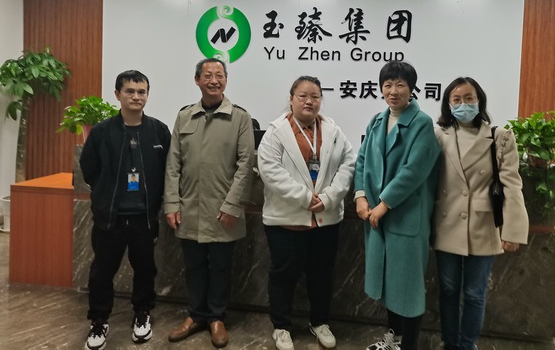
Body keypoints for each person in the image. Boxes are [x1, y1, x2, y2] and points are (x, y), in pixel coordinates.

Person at [258, 76, 355, 350]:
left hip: (325, 220)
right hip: (286, 221)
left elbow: (348, 163)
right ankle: (281, 326)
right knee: (283, 275)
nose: (309, 101)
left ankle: (319, 322)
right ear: (291, 99)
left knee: (321, 275)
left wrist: (329, 197)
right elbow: (269, 170)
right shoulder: (276, 132)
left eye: (315, 96)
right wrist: (303, 197)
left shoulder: (333, 131)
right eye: (303, 96)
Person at [163, 57, 255, 348]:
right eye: (208, 75)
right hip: (189, 208)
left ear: (226, 80)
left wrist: (232, 205)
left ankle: (216, 317)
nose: (214, 80)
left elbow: (246, 166)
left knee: (220, 267)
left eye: (219, 75)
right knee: (194, 267)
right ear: (197, 80)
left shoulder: (240, 118)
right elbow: (173, 165)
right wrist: (171, 204)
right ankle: (196, 316)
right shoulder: (184, 117)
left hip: (222, 210)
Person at [432, 77, 529, 350]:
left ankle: (467, 345)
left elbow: (512, 185)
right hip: (446, 221)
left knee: (475, 293)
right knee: (448, 290)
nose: (463, 104)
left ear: (479, 100)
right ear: (448, 104)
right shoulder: (438, 135)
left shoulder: (500, 137)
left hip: (483, 224)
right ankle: (450, 342)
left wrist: (512, 231)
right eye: (456, 99)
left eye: (469, 98)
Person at [79, 70, 171, 350]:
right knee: (101, 272)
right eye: (130, 91)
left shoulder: (158, 131)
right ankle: (99, 321)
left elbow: (168, 170)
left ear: (147, 96)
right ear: (117, 94)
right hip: (111, 218)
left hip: (144, 218)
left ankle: (142, 314)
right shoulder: (101, 132)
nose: (136, 97)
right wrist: (105, 193)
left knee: (145, 269)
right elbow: (89, 169)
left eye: (142, 92)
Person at [354, 61, 440, 350]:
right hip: (377, 217)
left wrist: (384, 203)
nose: (393, 91)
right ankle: (393, 338)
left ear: (411, 89)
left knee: (408, 287)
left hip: (405, 217)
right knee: (390, 284)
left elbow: (415, 170)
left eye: (400, 85)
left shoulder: (422, 123)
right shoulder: (377, 121)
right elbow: (362, 160)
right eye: (388, 84)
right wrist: (360, 195)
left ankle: (409, 344)